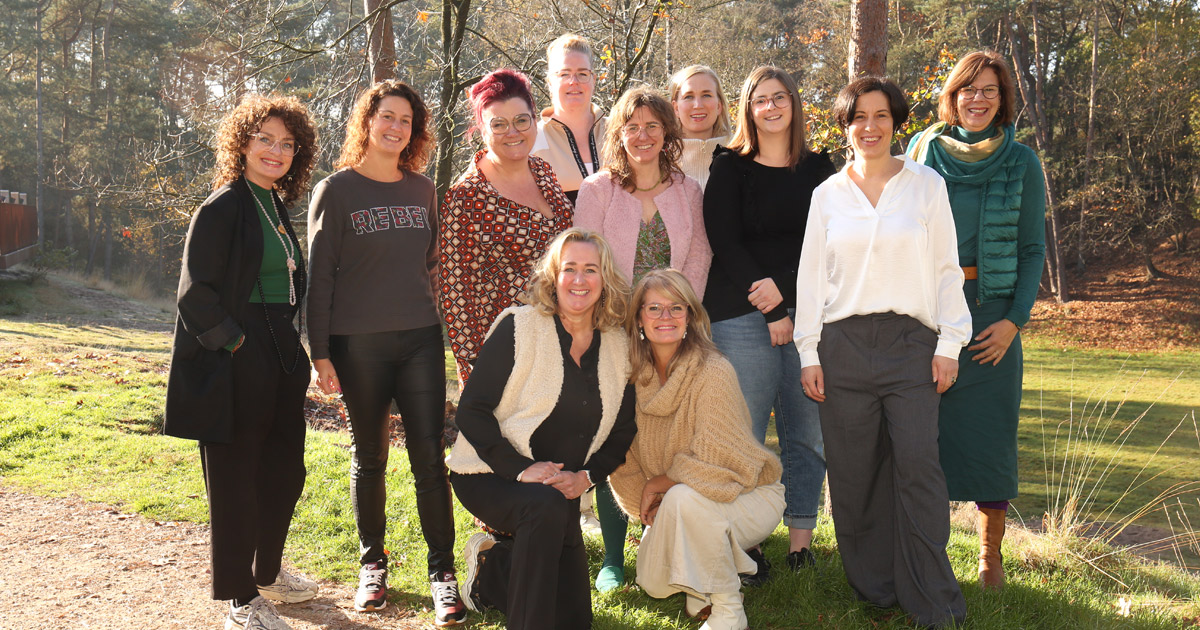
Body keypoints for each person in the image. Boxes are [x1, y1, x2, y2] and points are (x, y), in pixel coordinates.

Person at [794, 77, 970, 628]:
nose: (869, 127)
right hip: (841, 346)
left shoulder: (926, 185)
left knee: (918, 466)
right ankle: (875, 586)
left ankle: (933, 597)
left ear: (897, 122)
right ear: (845, 127)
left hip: (911, 346)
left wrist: (949, 343)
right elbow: (808, 282)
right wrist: (808, 353)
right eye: (858, 118)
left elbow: (946, 269)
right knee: (855, 472)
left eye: (880, 116)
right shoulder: (827, 195)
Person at [305, 80, 464, 626]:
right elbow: (320, 275)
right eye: (386, 117)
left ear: (413, 133)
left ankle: (442, 575)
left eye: (406, 121)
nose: (395, 128)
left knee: (428, 461)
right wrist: (320, 352)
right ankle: (373, 567)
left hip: (420, 338)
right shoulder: (337, 190)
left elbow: (431, 262)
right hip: (357, 345)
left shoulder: (423, 189)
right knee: (369, 457)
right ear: (367, 123)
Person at [164, 93, 320, 630]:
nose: (276, 151)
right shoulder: (224, 205)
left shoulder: (274, 202)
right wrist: (236, 345)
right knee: (235, 477)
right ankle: (239, 598)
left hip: (280, 346)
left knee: (284, 469)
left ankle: (268, 571)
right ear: (243, 144)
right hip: (239, 350)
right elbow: (195, 293)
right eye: (265, 140)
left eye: (286, 144)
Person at [449, 228, 637, 630]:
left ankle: (492, 570)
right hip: (487, 473)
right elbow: (471, 410)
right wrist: (519, 468)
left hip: (561, 489)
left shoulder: (619, 345)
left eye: (590, 269)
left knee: (571, 618)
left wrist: (585, 478)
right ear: (553, 276)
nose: (579, 280)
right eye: (569, 269)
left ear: (605, 279)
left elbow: (623, 431)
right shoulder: (519, 326)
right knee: (544, 509)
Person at [907, 50, 1047, 590]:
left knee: (989, 437)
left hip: (990, 314)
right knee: (926, 439)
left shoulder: (1022, 162)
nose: (978, 98)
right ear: (953, 94)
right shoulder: (922, 151)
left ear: (1002, 98)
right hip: (928, 310)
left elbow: (1033, 249)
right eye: (969, 88)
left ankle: (990, 560)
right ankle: (931, 555)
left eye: (989, 89)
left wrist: (1014, 321)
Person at [574, 86, 712, 591]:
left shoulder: (687, 191)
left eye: (653, 125)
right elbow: (585, 264)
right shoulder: (598, 191)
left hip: (671, 335)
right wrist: (618, 319)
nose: (642, 135)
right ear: (619, 133)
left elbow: (698, 257)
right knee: (616, 440)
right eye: (632, 126)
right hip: (611, 332)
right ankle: (613, 557)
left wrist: (673, 315)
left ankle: (660, 543)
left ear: (667, 133)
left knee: (664, 439)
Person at [701, 66, 835, 580]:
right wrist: (772, 305)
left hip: (809, 315)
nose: (772, 107)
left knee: (806, 432)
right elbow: (725, 241)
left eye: (780, 98)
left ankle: (800, 542)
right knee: (746, 433)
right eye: (761, 99)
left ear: (794, 105)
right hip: (740, 312)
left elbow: (827, 244)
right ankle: (746, 540)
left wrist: (786, 296)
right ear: (748, 108)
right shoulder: (730, 167)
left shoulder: (821, 169)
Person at [610, 269, 784, 630]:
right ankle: (701, 583)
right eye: (654, 308)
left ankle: (727, 610)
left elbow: (717, 463)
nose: (666, 317)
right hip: (679, 505)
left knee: (684, 499)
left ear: (690, 316)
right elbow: (621, 460)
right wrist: (650, 507)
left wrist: (659, 485)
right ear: (638, 318)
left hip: (748, 496)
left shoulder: (712, 370)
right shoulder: (628, 379)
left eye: (676, 307)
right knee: (654, 583)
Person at [441, 68, 574, 385]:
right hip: (505, 352)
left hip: (565, 338)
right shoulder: (466, 197)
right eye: (498, 124)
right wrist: (473, 367)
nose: (512, 132)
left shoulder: (543, 171)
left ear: (534, 120)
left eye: (521, 120)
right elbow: (456, 291)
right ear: (481, 130)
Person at [532, 33, 608, 203]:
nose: (574, 81)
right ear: (550, 82)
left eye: (582, 74)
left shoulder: (619, 131)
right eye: (564, 74)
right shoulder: (532, 139)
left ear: (593, 80)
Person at [666, 65, 733, 189]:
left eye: (706, 95)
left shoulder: (742, 157)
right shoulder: (661, 162)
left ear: (719, 106)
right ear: (676, 108)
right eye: (688, 97)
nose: (698, 105)